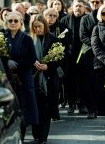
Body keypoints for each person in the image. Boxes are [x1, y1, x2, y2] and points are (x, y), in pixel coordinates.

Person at [2, 11, 39, 140]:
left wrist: (16, 63)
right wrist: (6, 62)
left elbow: (32, 58)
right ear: (6, 22)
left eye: (16, 21)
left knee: (23, 107)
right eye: (10, 21)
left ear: (21, 23)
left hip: (23, 78)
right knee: (7, 107)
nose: (13, 23)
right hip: (6, 78)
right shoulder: (0, 36)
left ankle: (21, 135)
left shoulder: (26, 38)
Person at [30, 14, 60, 143]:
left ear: (45, 26)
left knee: (45, 110)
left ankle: (43, 137)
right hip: (33, 80)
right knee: (35, 108)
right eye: (34, 27)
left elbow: (60, 59)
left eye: (39, 27)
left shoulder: (53, 39)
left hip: (48, 80)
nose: (37, 29)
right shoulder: (29, 40)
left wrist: (48, 66)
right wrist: (32, 62)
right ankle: (36, 133)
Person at [60, 0, 87, 114]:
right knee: (69, 80)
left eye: (80, 6)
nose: (78, 8)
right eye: (76, 6)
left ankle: (82, 104)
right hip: (69, 55)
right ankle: (71, 103)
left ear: (84, 8)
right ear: (72, 7)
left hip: (84, 54)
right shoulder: (65, 20)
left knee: (82, 81)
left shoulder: (87, 19)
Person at [79, 0, 103, 119]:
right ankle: (91, 109)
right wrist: (96, 46)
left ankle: (100, 108)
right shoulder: (85, 19)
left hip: (102, 56)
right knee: (89, 84)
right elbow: (82, 36)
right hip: (89, 55)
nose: (94, 4)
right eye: (92, 2)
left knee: (100, 83)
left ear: (101, 3)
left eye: (97, 2)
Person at [43, 7, 69, 113]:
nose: (52, 17)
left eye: (54, 15)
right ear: (45, 17)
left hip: (58, 62)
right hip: (43, 62)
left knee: (56, 87)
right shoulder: (42, 28)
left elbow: (66, 44)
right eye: (50, 15)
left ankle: (54, 109)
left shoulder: (61, 28)